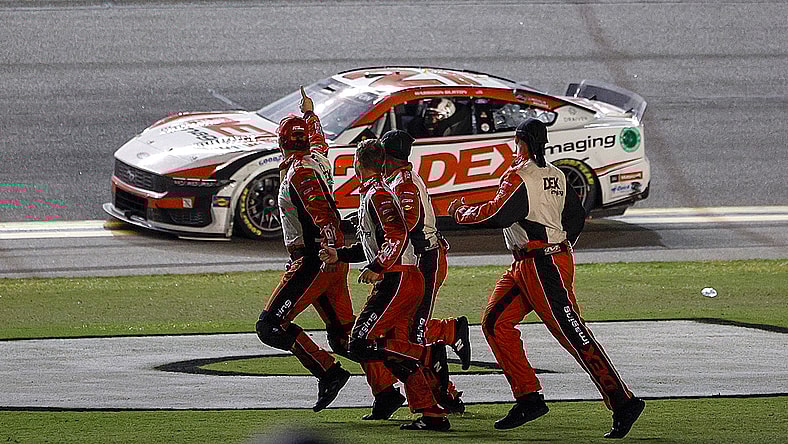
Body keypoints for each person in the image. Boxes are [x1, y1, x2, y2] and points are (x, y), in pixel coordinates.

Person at [448, 118, 645, 438]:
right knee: (495, 323)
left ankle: (623, 402)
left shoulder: (518, 175)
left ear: (521, 143)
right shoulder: (557, 174)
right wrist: (559, 245)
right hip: (543, 261)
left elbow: (498, 214)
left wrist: (459, 212)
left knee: (572, 334)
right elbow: (576, 218)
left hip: (541, 265)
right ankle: (528, 397)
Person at [319, 139, 451, 431]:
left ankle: (429, 354)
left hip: (398, 278)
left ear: (357, 165)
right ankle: (431, 412)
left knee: (362, 342)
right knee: (390, 349)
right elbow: (374, 243)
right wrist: (340, 255)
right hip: (401, 276)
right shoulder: (376, 192)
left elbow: (396, 235)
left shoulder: (378, 194)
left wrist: (378, 266)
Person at [353, 129, 469, 421]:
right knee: (403, 337)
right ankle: (439, 401)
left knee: (413, 336)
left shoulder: (401, 183)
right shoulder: (396, 182)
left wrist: (383, 261)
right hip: (416, 261)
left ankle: (448, 336)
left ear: (388, 159)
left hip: (421, 261)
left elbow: (406, 226)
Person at [255, 86, 354, 413]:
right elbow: (319, 140)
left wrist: (329, 251)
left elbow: (325, 214)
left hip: (315, 262)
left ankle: (329, 372)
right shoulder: (317, 157)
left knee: (270, 327)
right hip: (330, 261)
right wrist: (310, 114)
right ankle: (409, 371)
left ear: (281, 143)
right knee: (348, 339)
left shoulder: (300, 172)